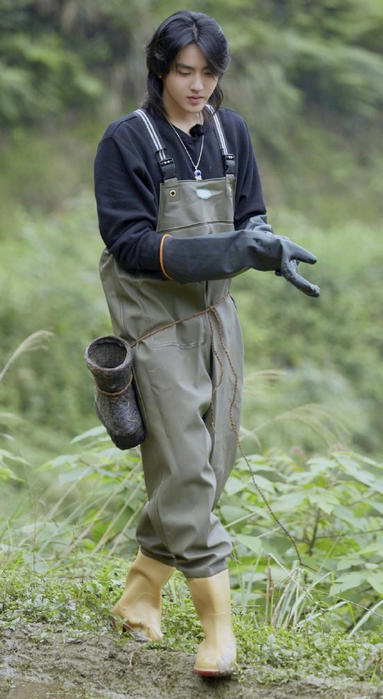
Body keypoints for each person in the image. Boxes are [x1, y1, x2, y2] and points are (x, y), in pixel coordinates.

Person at [94, 10, 320, 677]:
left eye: (209, 72)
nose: (197, 85)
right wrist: (231, 246)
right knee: (187, 469)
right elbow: (130, 245)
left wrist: (265, 242)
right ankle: (217, 630)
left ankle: (139, 596)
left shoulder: (231, 133)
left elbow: (249, 212)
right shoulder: (126, 141)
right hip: (154, 323)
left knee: (212, 463)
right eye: (184, 71)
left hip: (217, 317)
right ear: (159, 69)